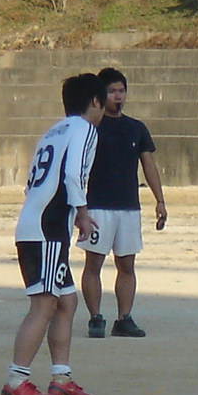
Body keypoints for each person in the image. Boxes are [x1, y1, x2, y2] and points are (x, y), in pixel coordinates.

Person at [3, 73, 106, 395]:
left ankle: (62, 377)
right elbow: (74, 174)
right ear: (95, 101)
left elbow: (32, 183)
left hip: (38, 224)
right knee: (45, 303)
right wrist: (83, 212)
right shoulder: (85, 129)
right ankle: (16, 380)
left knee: (67, 301)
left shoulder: (52, 131)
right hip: (47, 229)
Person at [78, 66, 167, 338]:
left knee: (126, 265)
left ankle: (124, 317)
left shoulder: (136, 128)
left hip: (128, 207)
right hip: (98, 206)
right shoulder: (89, 129)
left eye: (121, 90)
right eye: (112, 91)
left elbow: (149, 165)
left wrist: (160, 200)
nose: (118, 96)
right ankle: (95, 317)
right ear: (100, 95)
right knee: (93, 264)